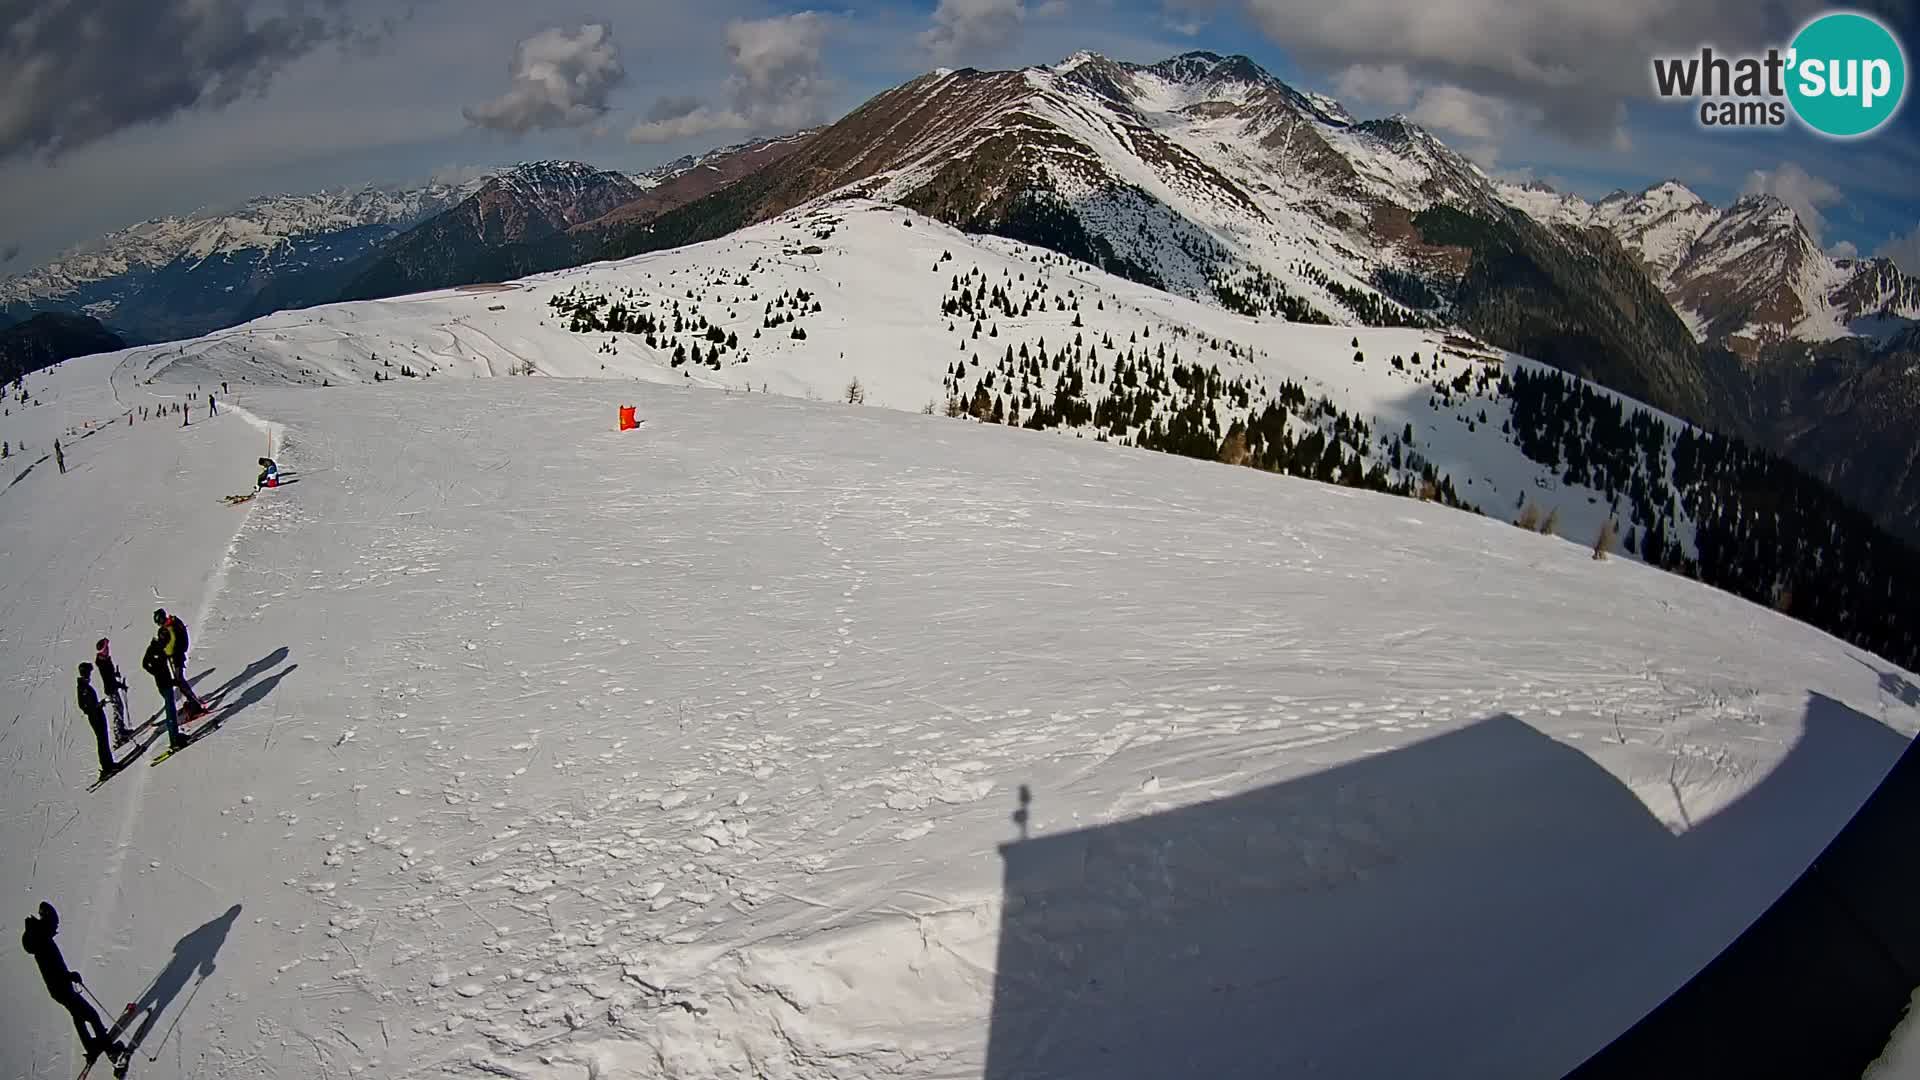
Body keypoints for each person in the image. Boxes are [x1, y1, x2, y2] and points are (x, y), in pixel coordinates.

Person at [22, 902, 123, 1061]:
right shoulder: (43, 941)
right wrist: (70, 976)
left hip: (58, 989)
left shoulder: (40, 937)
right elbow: (52, 970)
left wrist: (68, 975)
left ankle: (90, 1047)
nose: (55, 928)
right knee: (92, 1015)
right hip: (61, 988)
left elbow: (54, 969)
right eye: (54, 924)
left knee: (78, 1015)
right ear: (47, 921)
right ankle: (110, 1050)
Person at [153, 610, 207, 719]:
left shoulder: (169, 629)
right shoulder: (174, 622)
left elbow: (170, 647)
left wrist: (161, 648)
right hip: (179, 656)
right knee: (180, 680)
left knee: (180, 681)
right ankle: (192, 701)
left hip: (176, 658)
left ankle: (194, 705)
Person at [143, 636, 183, 750]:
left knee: (172, 710)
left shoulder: (157, 648)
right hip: (164, 684)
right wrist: (155, 672)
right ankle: (174, 740)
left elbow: (148, 664)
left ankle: (176, 735)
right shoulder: (154, 650)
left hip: (166, 682)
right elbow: (146, 664)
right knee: (170, 711)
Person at [75, 664, 115, 779]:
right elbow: (84, 705)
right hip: (95, 716)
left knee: (104, 739)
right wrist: (97, 707)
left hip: (97, 714)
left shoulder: (85, 685)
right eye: (88, 672)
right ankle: (107, 767)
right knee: (102, 740)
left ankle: (109, 764)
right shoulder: (82, 687)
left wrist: (98, 705)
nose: (89, 675)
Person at [94, 639, 131, 745]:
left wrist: (115, 675)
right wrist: (118, 684)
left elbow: (110, 675)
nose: (108, 649)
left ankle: (121, 730)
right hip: (111, 689)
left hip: (113, 687)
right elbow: (108, 678)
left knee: (119, 708)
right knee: (118, 710)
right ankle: (119, 735)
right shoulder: (103, 663)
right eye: (106, 648)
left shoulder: (105, 660)